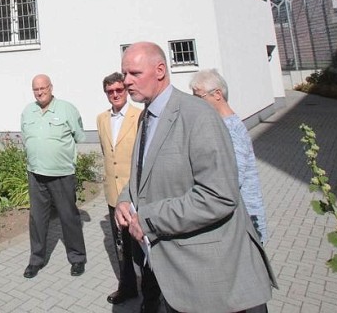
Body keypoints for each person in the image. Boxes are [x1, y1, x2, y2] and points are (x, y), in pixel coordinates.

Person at [115, 42, 276, 313]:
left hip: (208, 279)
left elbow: (219, 196)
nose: (127, 82)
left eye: (134, 74)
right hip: (167, 271)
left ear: (160, 70)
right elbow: (142, 175)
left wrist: (150, 219)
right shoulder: (147, 116)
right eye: (124, 74)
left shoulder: (198, 116)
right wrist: (125, 199)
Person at [190, 68, 269, 244]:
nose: (196, 103)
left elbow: (230, 180)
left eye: (199, 97)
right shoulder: (223, 125)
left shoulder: (231, 130)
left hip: (245, 223)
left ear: (217, 94)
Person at [20, 74, 87, 279]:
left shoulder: (67, 109)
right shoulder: (28, 111)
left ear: (51, 87)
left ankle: (77, 258)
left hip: (62, 174)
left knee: (69, 217)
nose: (40, 92)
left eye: (43, 88)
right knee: (37, 219)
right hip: (35, 173)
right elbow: (25, 138)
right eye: (36, 89)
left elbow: (79, 136)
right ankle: (36, 260)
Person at [95, 72, 141, 305]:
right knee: (121, 247)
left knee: (142, 246)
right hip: (114, 194)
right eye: (110, 92)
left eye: (119, 90)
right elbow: (106, 154)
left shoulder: (139, 116)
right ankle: (128, 286)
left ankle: (152, 294)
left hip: (136, 193)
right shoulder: (102, 119)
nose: (115, 95)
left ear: (125, 90)